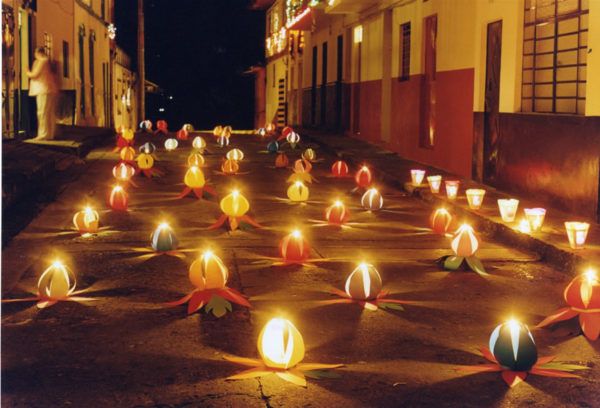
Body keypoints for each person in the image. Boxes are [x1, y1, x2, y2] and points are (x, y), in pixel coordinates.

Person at [27, 47, 58, 140]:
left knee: (42, 112)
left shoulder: (42, 61)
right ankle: (50, 134)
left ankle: (43, 134)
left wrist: (27, 71)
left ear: (38, 53)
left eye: (35, 53)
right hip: (48, 90)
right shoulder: (47, 61)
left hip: (43, 90)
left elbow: (34, 75)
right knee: (48, 113)